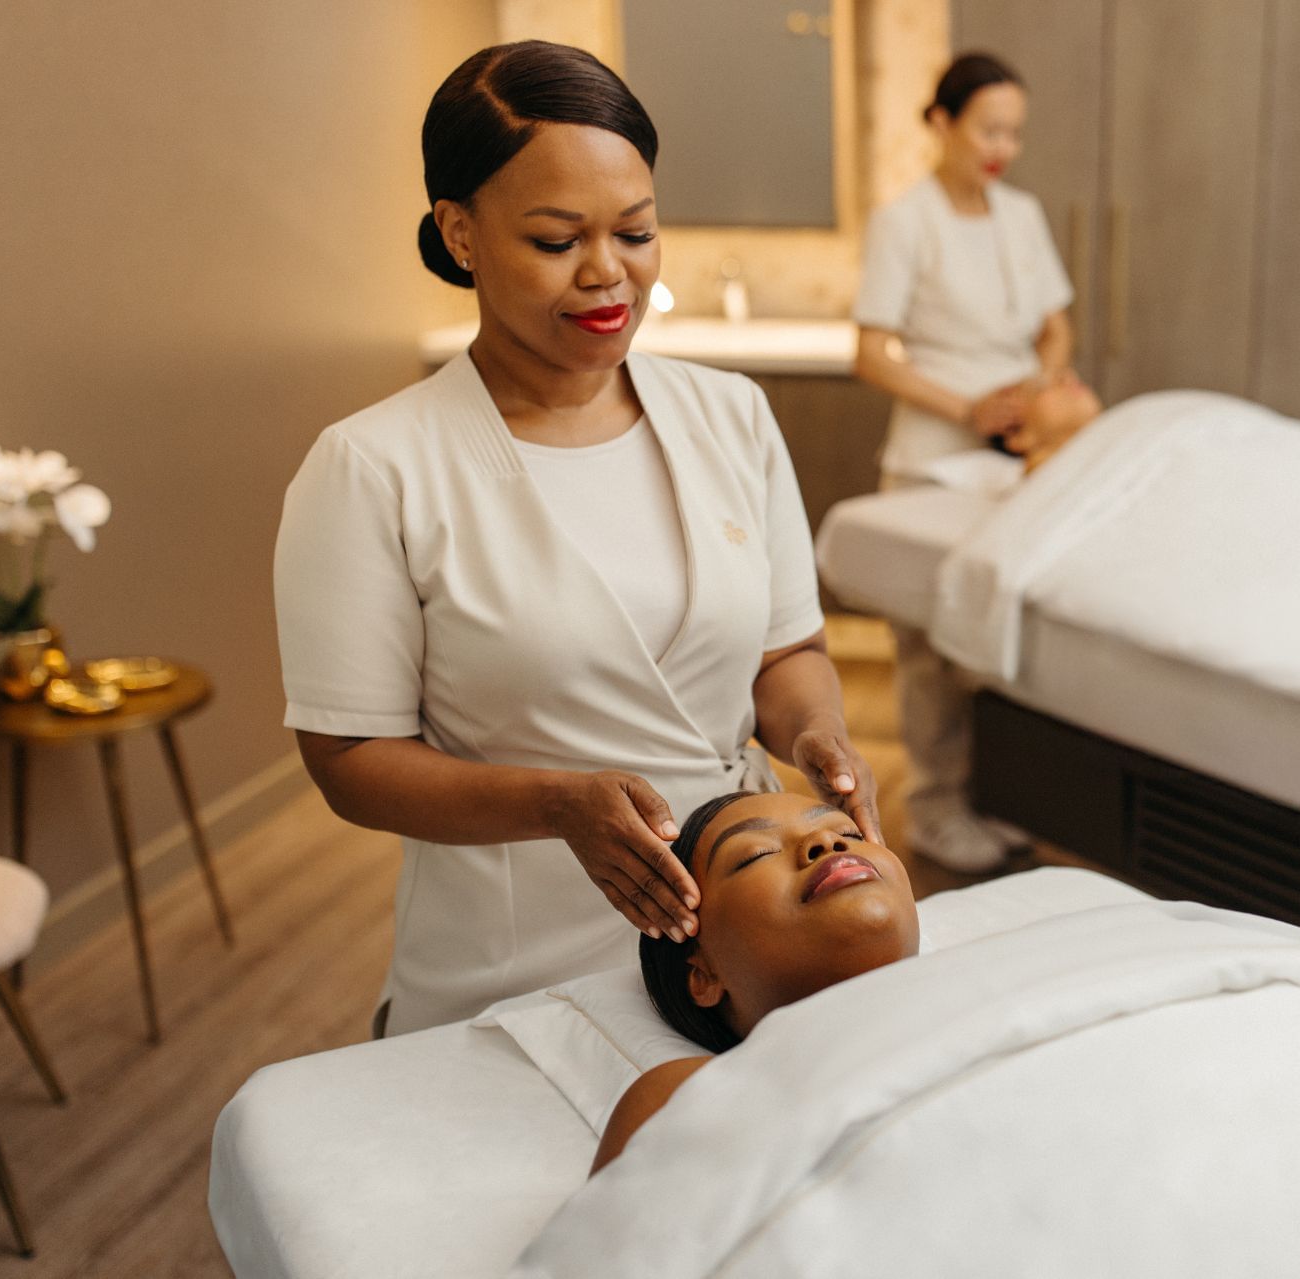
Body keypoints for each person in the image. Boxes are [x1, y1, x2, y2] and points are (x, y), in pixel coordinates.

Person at [273, 42, 878, 1038]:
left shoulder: (731, 415)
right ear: (459, 232)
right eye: (556, 240)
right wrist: (558, 805)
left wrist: (819, 737)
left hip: (742, 949)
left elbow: (785, 652)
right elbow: (348, 758)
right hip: (515, 963)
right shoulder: (371, 468)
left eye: (636, 232)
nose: (609, 275)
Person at [851, 52, 1074, 872]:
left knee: (994, 634)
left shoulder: (1020, 213)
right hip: (933, 458)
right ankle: (935, 807)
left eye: (1014, 132)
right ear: (941, 123)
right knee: (929, 651)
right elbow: (871, 353)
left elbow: (1056, 325)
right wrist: (969, 408)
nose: (1002, 146)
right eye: (987, 128)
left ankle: (997, 795)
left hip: (1012, 459)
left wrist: (1038, 388)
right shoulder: (905, 222)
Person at [594, 790, 920, 1173]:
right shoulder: (686, 1097)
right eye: (756, 855)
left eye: (849, 834)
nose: (826, 842)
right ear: (703, 974)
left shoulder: (1001, 972)